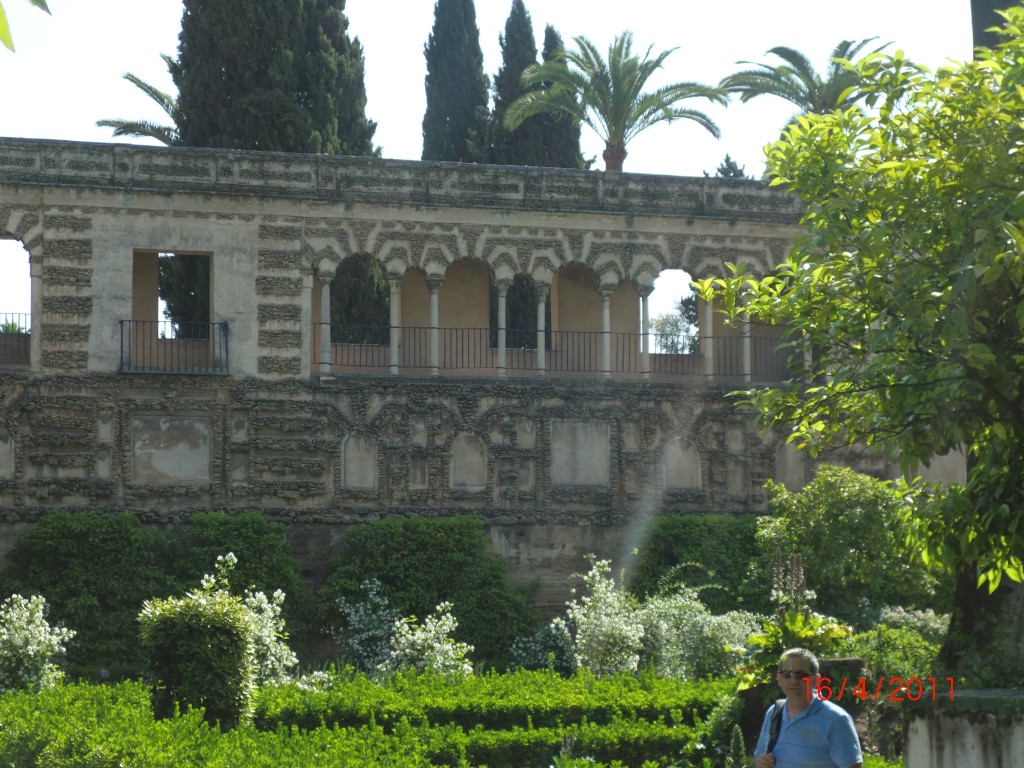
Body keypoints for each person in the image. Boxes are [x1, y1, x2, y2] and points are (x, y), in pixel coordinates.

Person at [753, 647, 863, 768]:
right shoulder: (773, 714)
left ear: (816, 680)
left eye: (801, 675)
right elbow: (759, 758)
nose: (794, 681)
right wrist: (760, 764)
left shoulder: (836, 719)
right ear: (779, 679)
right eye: (787, 674)